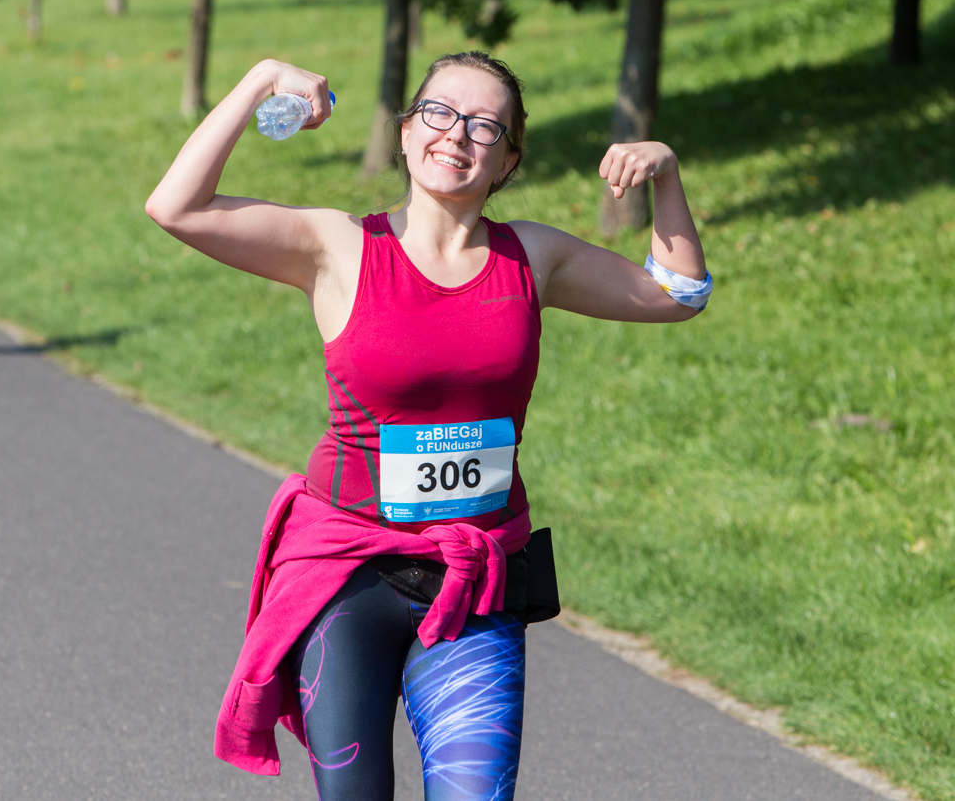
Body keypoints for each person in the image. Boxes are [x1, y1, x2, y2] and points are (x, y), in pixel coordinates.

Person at [145, 53, 711, 801]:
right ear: (408, 132)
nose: (458, 135)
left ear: (508, 159)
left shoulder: (532, 257)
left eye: (485, 125)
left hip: (474, 579)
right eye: (440, 113)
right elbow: (176, 206)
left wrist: (665, 176)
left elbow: (677, 292)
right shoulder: (339, 246)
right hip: (346, 577)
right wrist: (258, 81)